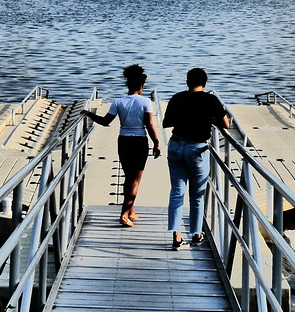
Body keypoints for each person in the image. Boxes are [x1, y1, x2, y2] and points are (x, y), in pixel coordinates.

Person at [81, 64, 160, 227]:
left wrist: (88, 113)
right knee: (135, 180)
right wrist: (157, 143)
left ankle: (131, 211)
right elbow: (150, 125)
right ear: (141, 86)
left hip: (123, 140)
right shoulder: (145, 102)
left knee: (128, 177)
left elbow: (105, 122)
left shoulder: (118, 102)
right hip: (139, 141)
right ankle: (124, 214)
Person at [164, 68, 229, 250]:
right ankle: (196, 233)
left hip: (176, 146)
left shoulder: (177, 98)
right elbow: (226, 124)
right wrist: (208, 119)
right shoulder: (211, 100)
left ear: (187, 82)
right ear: (205, 82)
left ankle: (176, 237)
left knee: (177, 192)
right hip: (197, 150)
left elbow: (166, 122)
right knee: (197, 195)